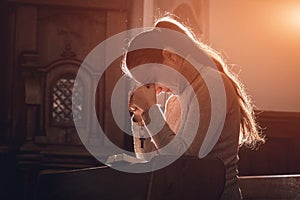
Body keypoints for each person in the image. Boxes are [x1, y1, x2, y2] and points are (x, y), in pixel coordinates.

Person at [122, 16, 265, 200]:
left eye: (151, 78)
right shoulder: (174, 102)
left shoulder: (213, 84)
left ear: (170, 56)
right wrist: (141, 118)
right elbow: (153, 163)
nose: (155, 89)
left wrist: (150, 110)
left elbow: (185, 161)